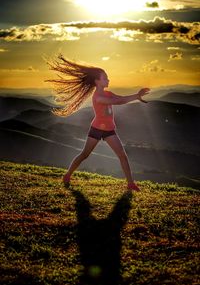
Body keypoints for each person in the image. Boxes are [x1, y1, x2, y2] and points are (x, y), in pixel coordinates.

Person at [46, 54, 150, 191]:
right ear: (97, 81)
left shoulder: (107, 93)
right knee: (85, 155)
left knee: (122, 155)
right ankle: (67, 175)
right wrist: (137, 96)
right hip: (96, 129)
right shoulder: (98, 97)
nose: (108, 80)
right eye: (105, 78)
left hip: (109, 130)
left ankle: (131, 184)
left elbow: (121, 98)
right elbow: (118, 102)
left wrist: (137, 96)